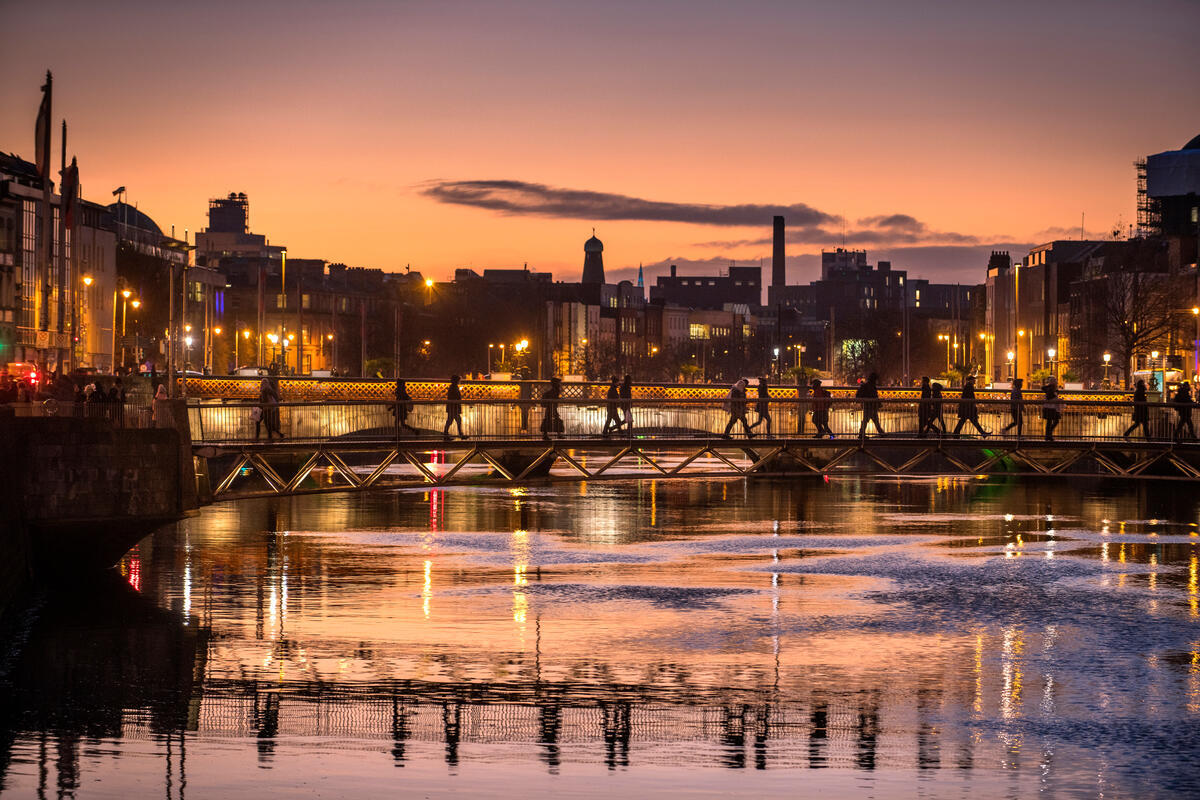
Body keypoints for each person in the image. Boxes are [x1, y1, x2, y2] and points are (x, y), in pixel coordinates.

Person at [857, 372, 884, 438]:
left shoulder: (866, 386)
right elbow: (874, 396)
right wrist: (878, 403)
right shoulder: (871, 386)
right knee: (873, 420)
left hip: (867, 405)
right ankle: (881, 433)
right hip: (871, 405)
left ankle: (862, 434)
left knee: (869, 420)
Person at [443, 374, 465, 440]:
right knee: (456, 420)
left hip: (452, 407)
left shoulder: (452, 387)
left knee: (451, 421)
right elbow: (456, 397)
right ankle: (460, 434)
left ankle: (446, 434)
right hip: (453, 407)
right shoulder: (454, 388)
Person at [1041, 376, 1061, 441]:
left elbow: (1044, 389)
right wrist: (1055, 396)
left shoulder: (1050, 388)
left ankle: (1048, 435)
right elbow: (1050, 396)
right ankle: (1048, 435)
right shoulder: (1051, 389)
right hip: (1051, 407)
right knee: (1054, 421)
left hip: (1049, 407)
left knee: (1049, 422)